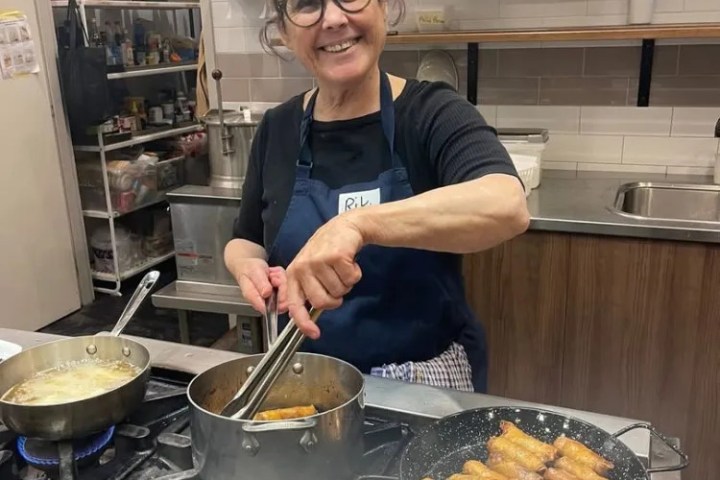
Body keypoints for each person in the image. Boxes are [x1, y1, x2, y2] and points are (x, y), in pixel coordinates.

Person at [224, 0, 530, 393]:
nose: (333, 19)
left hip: (423, 386)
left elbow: (507, 205)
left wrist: (358, 224)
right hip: (306, 382)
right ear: (283, 31)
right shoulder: (276, 128)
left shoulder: (432, 113)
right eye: (307, 4)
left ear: (385, 8)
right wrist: (247, 267)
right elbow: (245, 238)